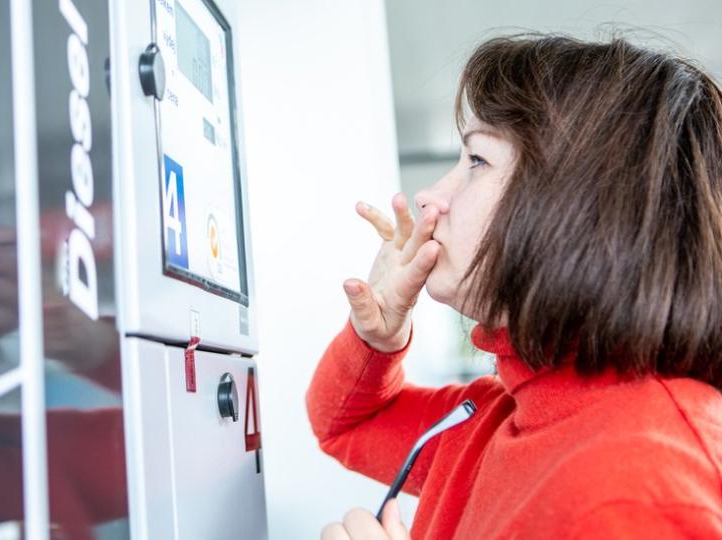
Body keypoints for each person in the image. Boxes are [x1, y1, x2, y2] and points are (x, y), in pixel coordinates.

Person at [308, 34, 722, 539]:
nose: (429, 197)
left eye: (476, 161)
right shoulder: (489, 418)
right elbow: (346, 424)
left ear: (580, 206)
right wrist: (378, 338)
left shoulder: (647, 478)